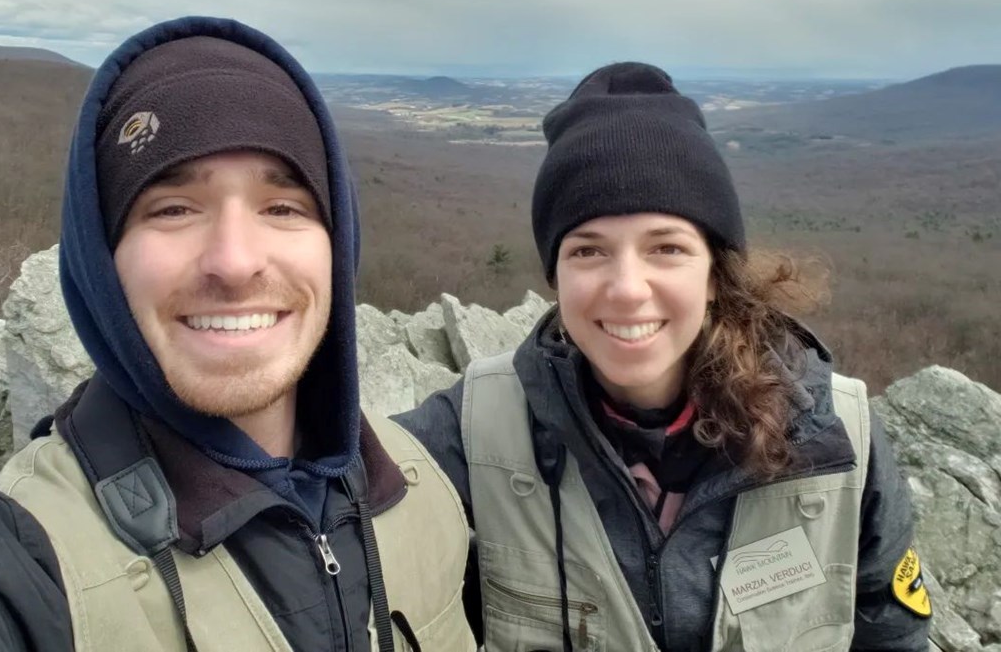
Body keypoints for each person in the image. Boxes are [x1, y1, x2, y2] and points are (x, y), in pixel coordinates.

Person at [0, 17, 475, 652]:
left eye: (283, 208)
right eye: (173, 208)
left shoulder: (418, 487)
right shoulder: (25, 558)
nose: (235, 261)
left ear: (338, 245)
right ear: (101, 260)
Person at [396, 62, 932, 651]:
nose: (627, 287)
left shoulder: (837, 437)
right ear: (556, 276)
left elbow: (894, 637)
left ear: (713, 273)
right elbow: (322, 498)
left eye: (667, 248)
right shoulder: (477, 429)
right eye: (588, 250)